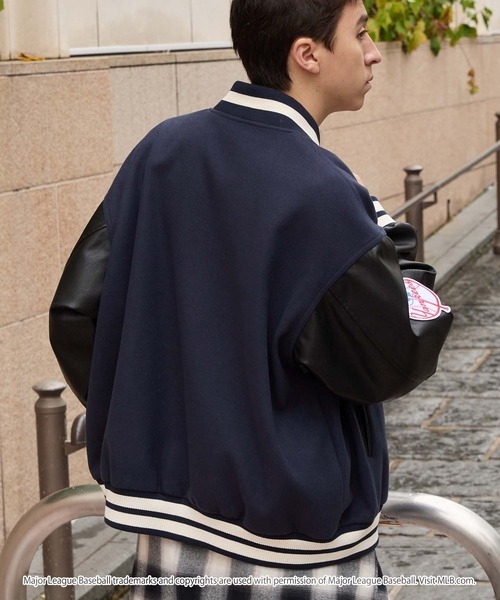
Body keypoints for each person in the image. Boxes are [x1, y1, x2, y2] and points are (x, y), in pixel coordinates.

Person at [49, 0, 453, 598]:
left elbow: (77, 313)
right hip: (298, 557)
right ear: (307, 54)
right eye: (362, 33)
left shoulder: (160, 153)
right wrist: (395, 247)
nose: (373, 53)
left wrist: (158, 424)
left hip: (166, 545)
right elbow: (395, 353)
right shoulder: (322, 191)